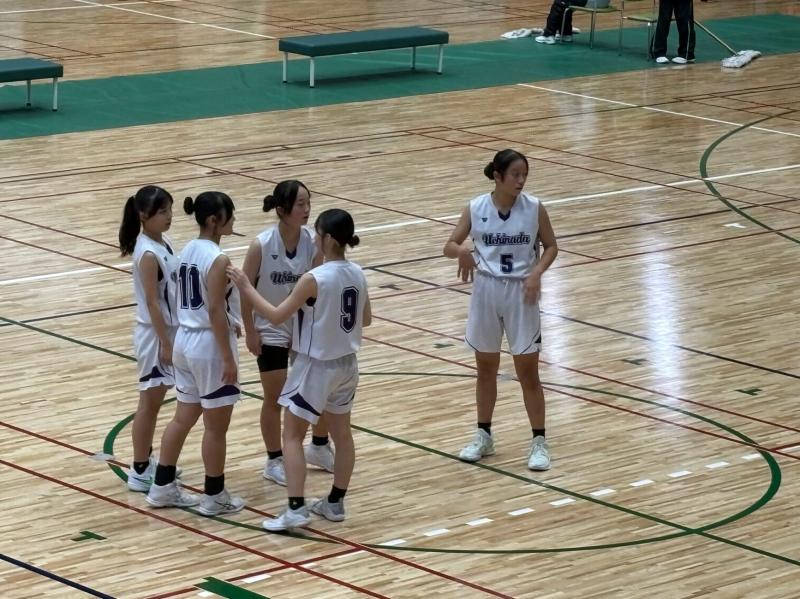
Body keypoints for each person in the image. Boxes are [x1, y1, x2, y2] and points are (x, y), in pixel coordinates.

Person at [227, 208, 371, 531]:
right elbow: (366, 319)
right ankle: (335, 503)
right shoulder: (358, 272)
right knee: (342, 434)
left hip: (316, 365)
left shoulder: (314, 278)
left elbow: (277, 316)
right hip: (348, 365)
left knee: (292, 435)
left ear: (328, 238)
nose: (314, 239)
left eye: (317, 234)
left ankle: (295, 509)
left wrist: (247, 287)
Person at [443, 149, 558, 471]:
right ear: (497, 176)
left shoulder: (534, 208)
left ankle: (539, 441)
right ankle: (484, 435)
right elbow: (448, 245)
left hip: (522, 293)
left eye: (525, 175)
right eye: (515, 175)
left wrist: (537, 273)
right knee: (485, 368)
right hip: (486, 290)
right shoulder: (476, 207)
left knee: (528, 372)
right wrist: (462, 251)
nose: (521, 181)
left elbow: (551, 246)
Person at [146, 191, 245, 516]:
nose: (234, 219)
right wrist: (227, 358)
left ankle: (162, 487)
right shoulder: (218, 258)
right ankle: (214, 496)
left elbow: (195, 300)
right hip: (209, 347)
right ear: (215, 220)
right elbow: (214, 308)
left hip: (185, 341)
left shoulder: (186, 249)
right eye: (230, 214)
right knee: (216, 428)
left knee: (182, 418)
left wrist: (229, 319)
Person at [240, 181, 336, 487]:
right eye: (300, 204)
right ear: (282, 210)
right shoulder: (261, 245)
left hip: (304, 327)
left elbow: (318, 286)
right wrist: (250, 330)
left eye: (309, 202)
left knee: (318, 390)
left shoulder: (312, 242)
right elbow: (244, 290)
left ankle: (318, 446)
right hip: (270, 328)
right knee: (275, 397)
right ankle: (274, 460)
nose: (307, 210)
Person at [118, 185, 180, 492]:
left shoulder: (163, 241)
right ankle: (140, 468)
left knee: (153, 402)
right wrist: (166, 343)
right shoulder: (147, 254)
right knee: (149, 404)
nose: (169, 216)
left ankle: (146, 460)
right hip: (155, 336)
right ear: (143, 215)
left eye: (169, 210)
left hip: (167, 331)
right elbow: (154, 303)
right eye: (162, 211)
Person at [534, 0, 607, 44]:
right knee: (566, 3)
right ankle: (566, 34)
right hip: (604, 2)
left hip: (591, 2)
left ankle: (548, 36)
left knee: (559, 2)